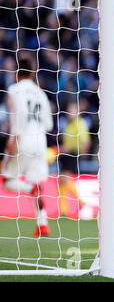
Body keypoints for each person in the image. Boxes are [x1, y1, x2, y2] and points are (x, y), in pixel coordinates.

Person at [2, 58, 53, 237]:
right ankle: (43, 224)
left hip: (22, 140)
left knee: (7, 181)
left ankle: (28, 187)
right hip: (40, 143)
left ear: (17, 74)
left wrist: (13, 139)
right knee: (37, 184)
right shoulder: (41, 93)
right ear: (33, 74)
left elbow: (18, 116)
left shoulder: (14, 90)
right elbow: (48, 123)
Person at [58, 101, 91, 217]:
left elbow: (85, 141)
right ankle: (63, 211)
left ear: (77, 112)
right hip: (66, 154)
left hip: (73, 154)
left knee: (64, 179)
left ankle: (81, 202)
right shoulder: (69, 124)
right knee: (61, 180)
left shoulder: (80, 123)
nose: (69, 113)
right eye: (68, 110)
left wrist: (81, 151)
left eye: (72, 110)